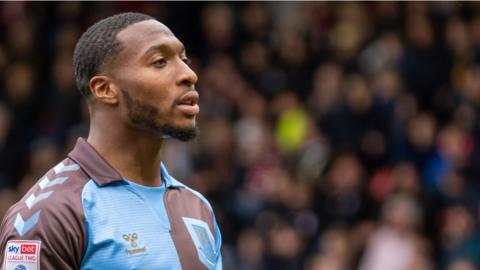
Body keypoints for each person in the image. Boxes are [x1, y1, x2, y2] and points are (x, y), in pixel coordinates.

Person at [0, 12, 222, 270]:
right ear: (105, 89)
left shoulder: (198, 207)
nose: (189, 74)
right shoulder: (51, 214)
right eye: (160, 61)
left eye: (184, 59)